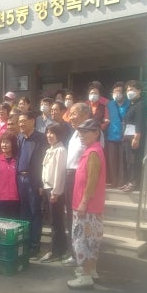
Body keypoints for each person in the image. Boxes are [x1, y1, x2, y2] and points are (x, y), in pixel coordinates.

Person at [68, 118, 107, 289]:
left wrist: (83, 203)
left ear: (96, 133)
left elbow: (92, 181)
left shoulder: (93, 153)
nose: (81, 135)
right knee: (91, 240)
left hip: (86, 206)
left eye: (85, 132)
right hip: (92, 206)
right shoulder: (93, 150)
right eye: (80, 132)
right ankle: (91, 270)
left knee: (81, 240)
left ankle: (85, 276)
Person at [61, 101, 93, 267]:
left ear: (86, 114)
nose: (71, 117)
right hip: (69, 176)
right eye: (70, 113)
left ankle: (83, 256)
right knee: (70, 216)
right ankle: (74, 253)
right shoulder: (75, 133)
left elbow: (93, 159)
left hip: (80, 177)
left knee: (80, 217)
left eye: (74, 113)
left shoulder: (92, 134)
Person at [16, 110, 47, 257]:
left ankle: (35, 245)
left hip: (34, 180)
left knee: (35, 213)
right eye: (19, 122)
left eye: (23, 121)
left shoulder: (41, 138)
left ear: (32, 121)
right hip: (20, 179)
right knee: (24, 212)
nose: (21, 124)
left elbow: (44, 162)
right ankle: (25, 243)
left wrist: (41, 183)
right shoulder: (19, 138)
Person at [38, 123, 68, 262]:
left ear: (59, 135)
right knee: (54, 221)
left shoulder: (60, 150)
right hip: (48, 188)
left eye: (52, 133)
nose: (49, 135)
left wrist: (56, 192)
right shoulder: (51, 149)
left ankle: (55, 251)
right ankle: (61, 249)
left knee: (55, 222)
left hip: (54, 190)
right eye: (48, 132)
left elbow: (59, 173)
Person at [120, 80, 147, 192]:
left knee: (134, 161)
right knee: (128, 161)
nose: (129, 92)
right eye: (127, 90)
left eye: (131, 89)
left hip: (134, 137)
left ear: (139, 91)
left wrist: (137, 137)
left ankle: (134, 183)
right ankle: (129, 181)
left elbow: (139, 122)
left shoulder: (141, 104)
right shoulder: (131, 105)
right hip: (127, 136)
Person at [105, 81, 128, 188]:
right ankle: (113, 182)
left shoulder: (128, 104)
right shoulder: (109, 104)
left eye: (118, 91)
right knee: (112, 161)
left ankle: (121, 182)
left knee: (122, 161)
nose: (116, 94)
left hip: (124, 137)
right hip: (111, 136)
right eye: (114, 92)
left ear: (123, 93)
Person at [0, 134, 20, 219]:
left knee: (15, 222)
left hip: (16, 197)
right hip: (1, 197)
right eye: (2, 142)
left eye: (7, 142)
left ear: (13, 144)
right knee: (2, 222)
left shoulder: (18, 159)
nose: (4, 145)